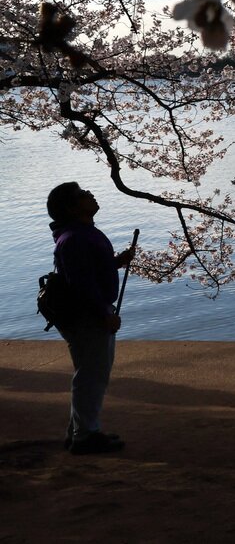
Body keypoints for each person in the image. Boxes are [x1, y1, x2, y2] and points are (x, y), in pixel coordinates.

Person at [48, 181, 134, 455]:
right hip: (88, 315)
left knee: (89, 373)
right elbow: (81, 283)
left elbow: (88, 271)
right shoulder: (75, 238)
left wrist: (115, 262)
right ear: (72, 208)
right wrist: (103, 314)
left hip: (88, 312)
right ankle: (86, 436)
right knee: (92, 376)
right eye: (83, 195)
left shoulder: (80, 233)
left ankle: (79, 432)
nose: (90, 194)